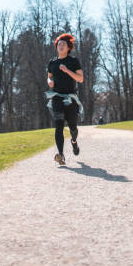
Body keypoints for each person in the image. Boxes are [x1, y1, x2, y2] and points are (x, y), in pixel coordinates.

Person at [45, 33, 84, 166]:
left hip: (70, 99)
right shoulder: (52, 63)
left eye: (63, 44)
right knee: (58, 126)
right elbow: (49, 76)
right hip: (56, 98)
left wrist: (67, 71)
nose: (60, 46)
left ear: (68, 47)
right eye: (58, 44)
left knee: (73, 126)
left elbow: (80, 79)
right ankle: (61, 155)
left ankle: (74, 142)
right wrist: (50, 81)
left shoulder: (73, 61)